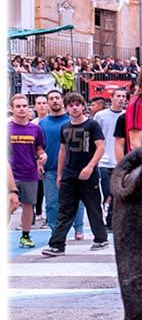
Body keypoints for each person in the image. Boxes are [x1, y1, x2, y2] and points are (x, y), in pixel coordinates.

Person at [41, 92, 109, 256]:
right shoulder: (65, 127)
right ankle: (57, 244)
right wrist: (59, 174)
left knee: (93, 207)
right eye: (70, 105)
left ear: (82, 105)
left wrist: (90, 167)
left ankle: (100, 238)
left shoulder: (92, 125)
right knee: (65, 209)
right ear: (67, 108)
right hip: (69, 175)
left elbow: (100, 147)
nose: (74, 107)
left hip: (88, 174)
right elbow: (62, 152)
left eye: (77, 104)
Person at [37, 89, 85, 240]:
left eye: (57, 98)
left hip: (72, 168)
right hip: (50, 168)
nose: (55, 101)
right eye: (51, 98)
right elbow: (38, 147)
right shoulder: (42, 123)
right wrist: (38, 162)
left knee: (77, 200)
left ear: (62, 100)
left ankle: (79, 228)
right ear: (47, 102)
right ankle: (55, 231)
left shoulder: (72, 120)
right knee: (52, 202)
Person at [8, 93, 47, 248]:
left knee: (28, 205)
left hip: (29, 173)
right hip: (10, 175)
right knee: (9, 205)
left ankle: (25, 235)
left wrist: (43, 156)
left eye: (24, 106)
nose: (22, 109)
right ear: (12, 109)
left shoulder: (35, 129)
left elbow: (39, 149)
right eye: (18, 106)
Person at [93, 87, 126, 231]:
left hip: (120, 160)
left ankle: (111, 221)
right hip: (103, 161)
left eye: (124, 96)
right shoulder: (100, 116)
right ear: (111, 98)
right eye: (118, 96)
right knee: (107, 192)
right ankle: (105, 219)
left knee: (115, 194)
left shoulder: (127, 115)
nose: (121, 99)